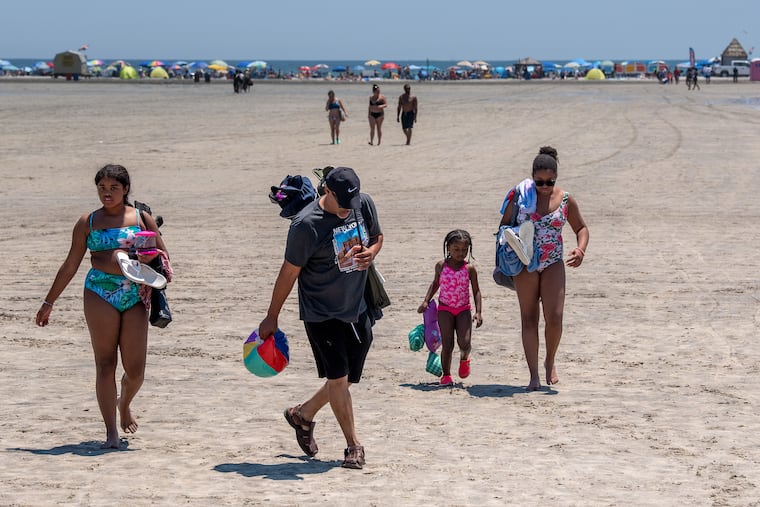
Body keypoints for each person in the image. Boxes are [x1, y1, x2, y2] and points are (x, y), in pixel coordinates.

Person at [35, 164, 169, 448]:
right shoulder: (88, 222)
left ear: (126, 189)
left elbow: (163, 257)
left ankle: (124, 404)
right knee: (105, 363)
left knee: (135, 371)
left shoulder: (141, 218)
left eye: (113, 188)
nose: (107, 194)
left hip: (135, 294)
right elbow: (71, 264)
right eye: (102, 188)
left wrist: (148, 258)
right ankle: (110, 432)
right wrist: (49, 301)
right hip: (98, 292)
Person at [258, 166, 383, 469]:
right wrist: (271, 317)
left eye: (350, 205)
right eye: (342, 205)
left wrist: (373, 252)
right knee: (338, 379)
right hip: (321, 312)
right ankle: (353, 447)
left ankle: (302, 415)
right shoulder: (306, 226)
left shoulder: (362, 203)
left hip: (358, 304)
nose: (347, 211)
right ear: (327, 191)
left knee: (349, 376)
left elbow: (377, 235)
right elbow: (288, 273)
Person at [499, 147, 589, 391]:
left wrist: (580, 249)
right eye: (540, 182)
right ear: (532, 177)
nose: (545, 186)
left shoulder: (566, 199)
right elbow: (504, 227)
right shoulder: (519, 196)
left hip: (553, 263)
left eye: (550, 181)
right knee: (529, 319)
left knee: (555, 318)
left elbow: (581, 228)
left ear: (556, 177)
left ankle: (550, 360)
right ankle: (533, 376)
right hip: (525, 263)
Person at [418, 230, 482, 386]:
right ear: (448, 248)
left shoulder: (469, 269)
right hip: (445, 309)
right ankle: (446, 375)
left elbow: (476, 290)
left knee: (464, 342)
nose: (461, 253)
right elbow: (435, 284)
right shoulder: (441, 266)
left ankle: (464, 358)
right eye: (456, 249)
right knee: (447, 343)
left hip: (463, 309)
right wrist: (426, 301)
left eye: (464, 250)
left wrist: (478, 312)